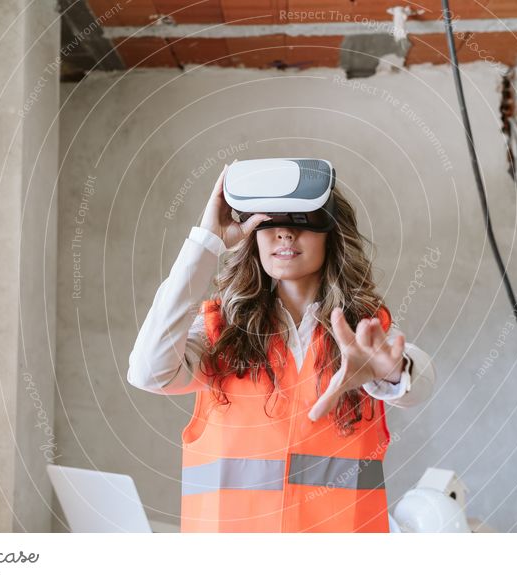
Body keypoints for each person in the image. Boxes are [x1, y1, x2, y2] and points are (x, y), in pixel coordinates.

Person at [128, 160, 437, 532]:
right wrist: (206, 242)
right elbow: (149, 372)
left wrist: (392, 371)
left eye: (302, 219)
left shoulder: (360, 335)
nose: (285, 234)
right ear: (251, 235)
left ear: (331, 234)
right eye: (269, 221)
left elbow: (418, 382)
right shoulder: (219, 332)